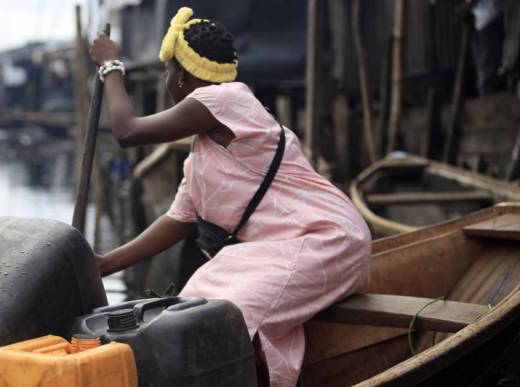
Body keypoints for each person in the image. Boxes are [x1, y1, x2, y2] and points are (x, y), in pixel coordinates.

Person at [90, 7, 371, 387]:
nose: (167, 79)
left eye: (168, 71)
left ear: (183, 78)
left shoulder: (227, 100)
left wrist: (112, 67)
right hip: (278, 247)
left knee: (226, 316)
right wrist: (106, 264)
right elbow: (179, 220)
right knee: (191, 303)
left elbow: (126, 130)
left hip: (329, 239)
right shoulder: (202, 156)